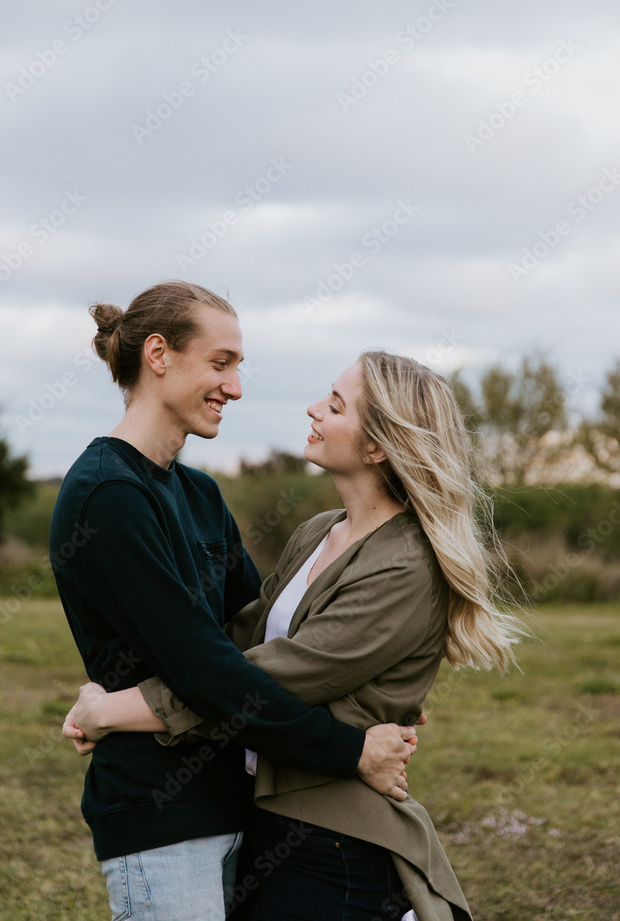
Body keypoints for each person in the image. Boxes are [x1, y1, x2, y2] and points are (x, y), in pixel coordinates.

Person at [65, 347, 522, 920]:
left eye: (334, 405)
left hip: (333, 842)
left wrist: (116, 712)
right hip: (266, 820)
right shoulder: (318, 532)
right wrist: (111, 692)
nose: (313, 410)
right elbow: (233, 646)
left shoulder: (408, 568)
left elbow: (259, 680)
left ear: (378, 446)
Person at [50, 280, 419, 921]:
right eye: (221, 364)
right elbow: (209, 674)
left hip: (243, 805)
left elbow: (264, 644)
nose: (237, 387)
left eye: (239, 367)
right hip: (162, 819)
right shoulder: (107, 495)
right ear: (159, 355)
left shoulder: (199, 495)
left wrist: (377, 687)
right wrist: (351, 751)